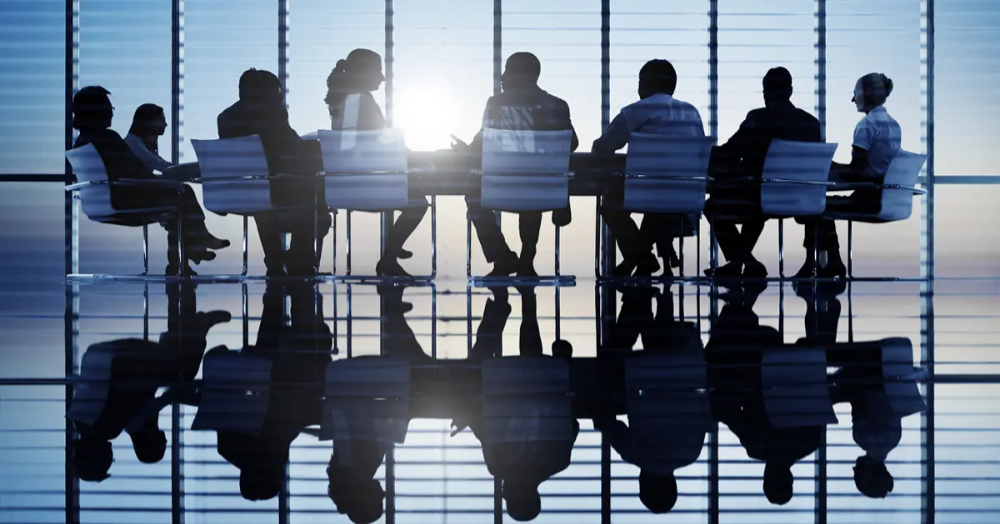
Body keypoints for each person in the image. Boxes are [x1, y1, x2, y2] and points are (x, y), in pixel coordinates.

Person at [72, 86, 229, 275]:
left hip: (103, 201)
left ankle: (183, 259)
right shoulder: (108, 138)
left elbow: (126, 172)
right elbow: (137, 172)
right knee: (183, 193)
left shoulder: (82, 141)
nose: (112, 113)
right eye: (109, 108)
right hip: (123, 198)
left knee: (177, 202)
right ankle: (198, 243)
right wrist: (165, 180)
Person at [458, 52, 579, 277]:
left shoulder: (496, 104)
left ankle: (502, 257)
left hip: (501, 186)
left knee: (474, 197)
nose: (502, 77)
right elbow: (572, 143)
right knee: (532, 193)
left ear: (515, 73)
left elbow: (480, 145)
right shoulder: (558, 105)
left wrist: (464, 150)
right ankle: (526, 260)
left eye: (506, 70)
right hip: (544, 190)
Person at [593, 59, 706, 278]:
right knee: (659, 204)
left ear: (644, 84)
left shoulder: (635, 112)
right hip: (687, 196)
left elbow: (602, 146)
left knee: (611, 205)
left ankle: (641, 257)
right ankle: (641, 260)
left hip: (646, 192)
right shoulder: (693, 114)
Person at [706, 67, 823, 278]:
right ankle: (742, 263)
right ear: (790, 91)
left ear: (765, 92)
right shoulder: (811, 124)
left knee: (712, 205)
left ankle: (742, 260)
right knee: (756, 198)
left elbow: (731, 151)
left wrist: (705, 153)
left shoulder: (759, 118)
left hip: (760, 197)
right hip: (801, 200)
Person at [324, 49, 429, 277]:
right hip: (370, 183)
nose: (382, 78)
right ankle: (389, 256)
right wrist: (417, 157)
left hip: (344, 186)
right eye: (378, 71)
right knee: (418, 202)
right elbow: (384, 141)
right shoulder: (362, 100)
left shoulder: (341, 101)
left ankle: (392, 249)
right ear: (364, 72)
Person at [218, 69, 332, 277]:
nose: (280, 95)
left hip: (239, 191)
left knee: (268, 196)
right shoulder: (272, 114)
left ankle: (276, 260)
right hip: (274, 189)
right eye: (277, 90)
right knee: (313, 195)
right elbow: (292, 144)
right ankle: (300, 260)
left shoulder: (225, 117)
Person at [795, 73, 899, 278]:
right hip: (884, 196)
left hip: (866, 198)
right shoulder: (894, 125)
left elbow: (857, 173)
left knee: (813, 206)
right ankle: (830, 263)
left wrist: (828, 167)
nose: (853, 100)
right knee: (820, 206)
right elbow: (870, 168)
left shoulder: (866, 125)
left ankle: (818, 264)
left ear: (867, 95)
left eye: (855, 94)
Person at [124, 104, 172, 173]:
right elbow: (156, 163)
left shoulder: (144, 145)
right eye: (161, 120)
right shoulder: (132, 142)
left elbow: (161, 163)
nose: (165, 124)